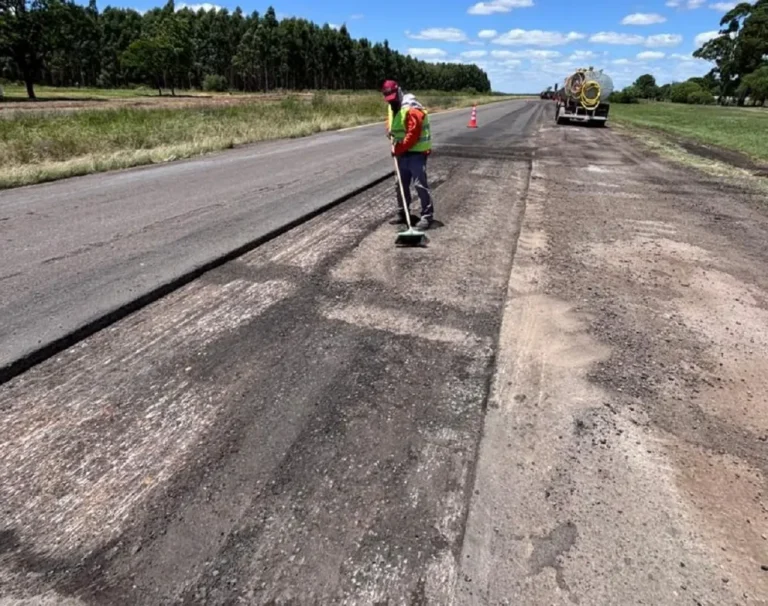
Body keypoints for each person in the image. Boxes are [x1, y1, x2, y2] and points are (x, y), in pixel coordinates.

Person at [381, 80, 434, 229]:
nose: (391, 101)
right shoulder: (393, 106)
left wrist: (398, 150)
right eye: (388, 99)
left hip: (416, 153)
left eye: (393, 97)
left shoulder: (412, 108)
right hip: (402, 153)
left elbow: (413, 134)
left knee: (420, 184)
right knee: (400, 185)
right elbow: (392, 121)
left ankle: (427, 216)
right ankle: (402, 213)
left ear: (398, 92)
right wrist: (389, 130)